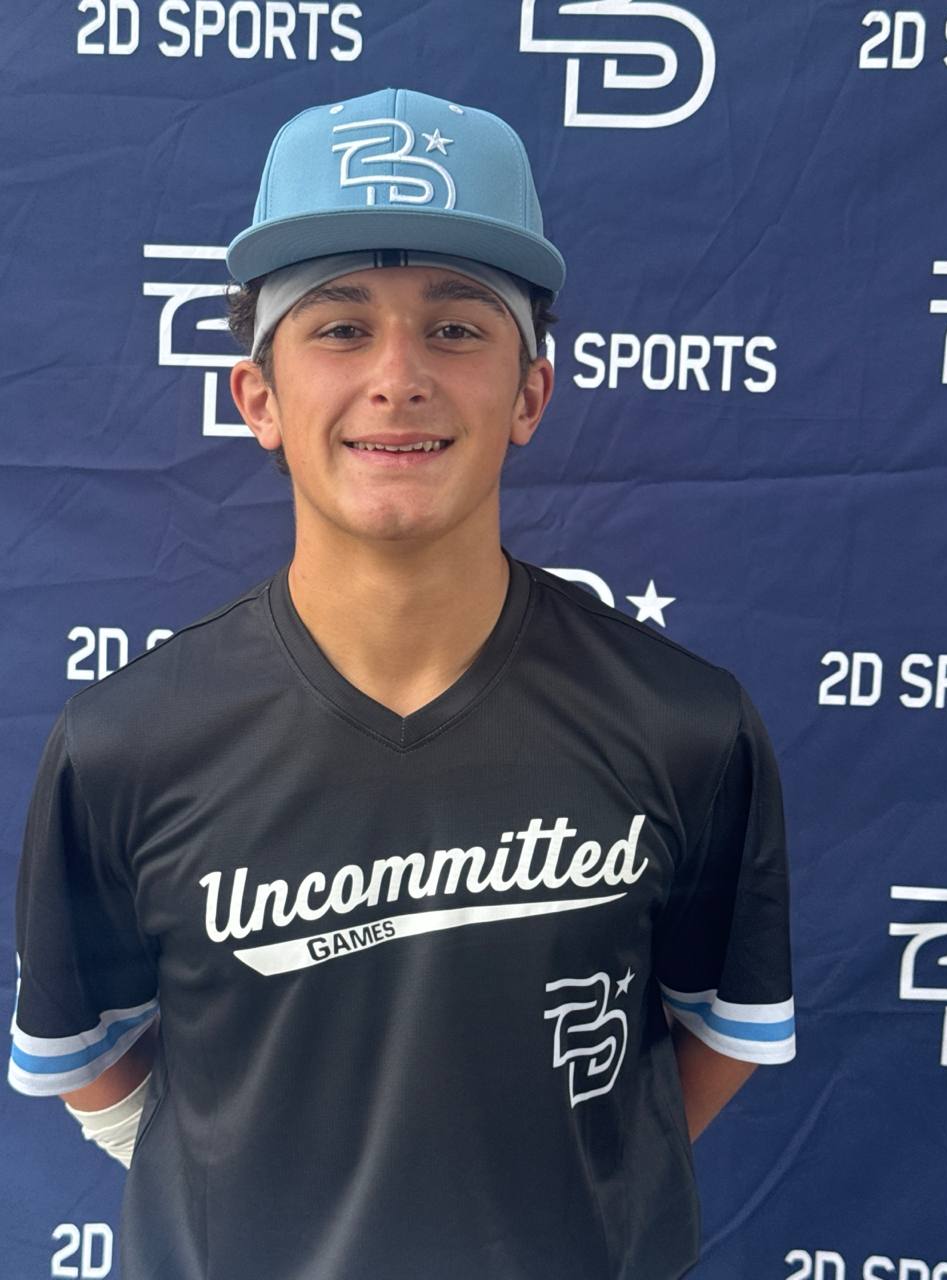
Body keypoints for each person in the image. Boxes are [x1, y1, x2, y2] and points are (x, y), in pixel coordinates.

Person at [8, 87, 795, 1280]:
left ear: (529, 393)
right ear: (258, 397)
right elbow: (89, 1056)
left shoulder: (685, 723)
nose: (397, 375)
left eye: (457, 328)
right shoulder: (125, 740)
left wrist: (566, 1198)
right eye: (338, 326)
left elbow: (719, 1035)